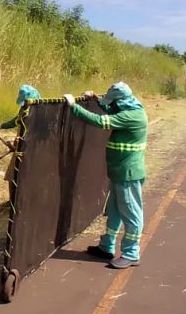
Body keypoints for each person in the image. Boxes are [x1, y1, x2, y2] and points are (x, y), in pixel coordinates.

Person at [63, 82, 148, 269]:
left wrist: (74, 107)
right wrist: (96, 99)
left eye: (113, 102)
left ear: (121, 101)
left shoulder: (132, 116)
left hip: (128, 174)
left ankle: (131, 253)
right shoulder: (130, 107)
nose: (111, 105)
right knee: (115, 211)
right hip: (119, 172)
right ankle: (106, 246)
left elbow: (102, 121)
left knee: (131, 213)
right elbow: (111, 108)